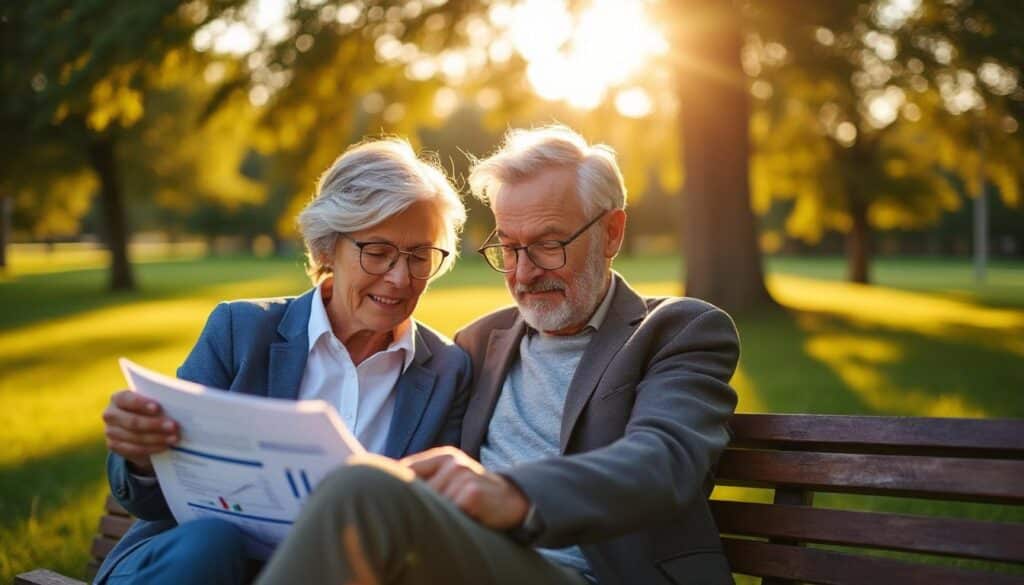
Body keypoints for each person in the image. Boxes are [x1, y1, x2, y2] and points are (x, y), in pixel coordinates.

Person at [254, 125, 740, 585]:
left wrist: (516, 494)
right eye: (508, 247)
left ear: (611, 233)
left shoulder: (678, 331)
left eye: (549, 245)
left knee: (359, 489)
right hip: (469, 563)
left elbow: (664, 460)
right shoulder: (477, 344)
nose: (524, 273)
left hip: (598, 575)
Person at [94, 138, 472, 585]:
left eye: (419, 256)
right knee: (213, 543)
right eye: (378, 252)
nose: (400, 277)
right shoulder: (239, 331)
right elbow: (153, 502)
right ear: (329, 247)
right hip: (196, 568)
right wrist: (138, 456)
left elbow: (433, 525)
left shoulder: (448, 371)